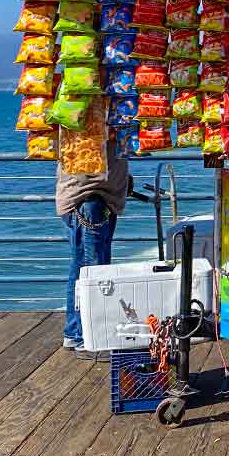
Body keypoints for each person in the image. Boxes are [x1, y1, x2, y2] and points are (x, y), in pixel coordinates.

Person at [57, 143, 129, 358]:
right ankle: (88, 339)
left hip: (95, 197)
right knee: (94, 272)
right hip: (89, 199)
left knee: (81, 269)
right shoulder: (92, 114)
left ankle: (74, 332)